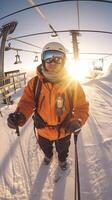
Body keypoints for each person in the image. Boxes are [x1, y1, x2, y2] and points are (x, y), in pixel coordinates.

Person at [7, 42, 89, 170]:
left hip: (64, 130)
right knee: (45, 147)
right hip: (43, 130)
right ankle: (48, 156)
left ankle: (62, 160)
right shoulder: (34, 83)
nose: (53, 61)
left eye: (58, 57)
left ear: (63, 61)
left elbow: (81, 106)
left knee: (63, 149)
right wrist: (20, 115)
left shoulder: (72, 83)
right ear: (43, 59)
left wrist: (78, 120)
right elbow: (27, 102)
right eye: (48, 56)